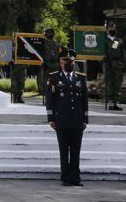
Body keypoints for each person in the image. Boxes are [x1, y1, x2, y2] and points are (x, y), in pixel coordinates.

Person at [45, 48, 88, 186]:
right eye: (66, 61)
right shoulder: (54, 77)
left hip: (77, 120)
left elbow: (84, 100)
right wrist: (51, 119)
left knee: (76, 151)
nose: (69, 63)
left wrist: (85, 119)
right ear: (60, 62)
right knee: (64, 151)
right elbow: (50, 99)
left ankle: (75, 178)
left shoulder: (81, 77)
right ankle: (65, 177)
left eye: (71, 61)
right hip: (61, 120)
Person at [104, 23, 124, 110]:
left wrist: (123, 64)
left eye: (113, 28)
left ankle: (116, 102)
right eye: (110, 28)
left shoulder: (118, 40)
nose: (112, 29)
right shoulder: (104, 40)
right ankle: (111, 102)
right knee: (109, 82)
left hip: (117, 63)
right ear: (107, 29)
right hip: (107, 63)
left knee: (117, 83)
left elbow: (123, 54)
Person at [40, 28, 61, 96]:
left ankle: (53, 96)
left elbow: (59, 54)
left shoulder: (56, 44)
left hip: (54, 66)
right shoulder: (42, 43)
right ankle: (48, 97)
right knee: (47, 83)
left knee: (54, 82)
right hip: (47, 66)